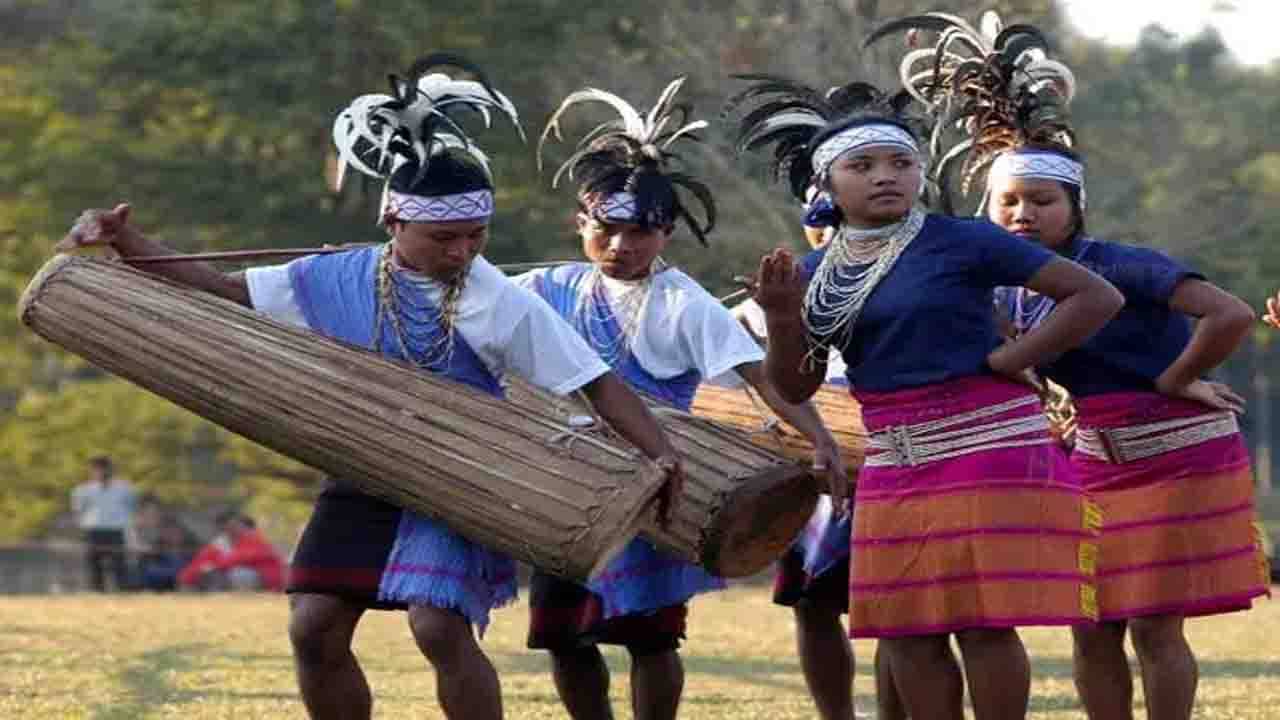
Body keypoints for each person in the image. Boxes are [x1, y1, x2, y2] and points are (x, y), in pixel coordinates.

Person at [56, 55, 684, 720]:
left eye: (476, 236)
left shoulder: (499, 300)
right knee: (313, 625)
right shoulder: (335, 278)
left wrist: (659, 454)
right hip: (363, 472)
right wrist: (129, 242)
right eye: (444, 237)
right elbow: (225, 292)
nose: (462, 252)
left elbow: (597, 384)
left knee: (438, 626)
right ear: (395, 220)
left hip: (463, 476)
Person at [728, 69, 1123, 720]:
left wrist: (1009, 359)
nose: (886, 175)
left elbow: (1094, 295)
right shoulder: (813, 274)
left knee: (981, 622)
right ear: (826, 184)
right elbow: (795, 384)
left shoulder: (961, 239)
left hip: (986, 446)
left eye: (900, 162)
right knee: (905, 628)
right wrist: (781, 318)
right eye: (863, 165)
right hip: (892, 458)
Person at [914, 16, 1271, 718]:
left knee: (1153, 623)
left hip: (1172, 454)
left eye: (1041, 201)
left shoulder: (1123, 265)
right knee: (1088, 619)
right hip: (1086, 458)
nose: (1023, 213)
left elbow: (1228, 313)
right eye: (1007, 202)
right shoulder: (998, 285)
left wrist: (1174, 377)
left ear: (1075, 206)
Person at [515, 77, 847, 720]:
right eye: (606, 228)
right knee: (563, 636)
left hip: (658, 480)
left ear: (666, 233)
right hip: (570, 487)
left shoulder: (681, 302)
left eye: (641, 231)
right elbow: (469, 312)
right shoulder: (543, 287)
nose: (621, 245)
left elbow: (764, 378)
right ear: (580, 222)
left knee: (650, 638)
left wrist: (822, 437)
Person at [731, 186, 904, 720]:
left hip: (898, 461)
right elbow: (751, 379)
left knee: (899, 609)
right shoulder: (774, 300)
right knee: (812, 603)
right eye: (822, 219)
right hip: (817, 476)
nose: (832, 231)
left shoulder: (912, 287)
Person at [70, 455, 136, 592]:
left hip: (115, 530)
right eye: (96, 469)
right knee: (94, 564)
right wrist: (79, 530)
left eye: (104, 469)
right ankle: (97, 592)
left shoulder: (124, 488)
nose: (101, 473)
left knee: (119, 564)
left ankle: (123, 591)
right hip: (93, 531)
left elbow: (131, 507)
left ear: (111, 470)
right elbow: (78, 511)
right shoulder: (83, 490)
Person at [178, 512, 286, 591]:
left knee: (237, 573)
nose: (231, 529)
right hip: (227, 578)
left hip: (267, 581)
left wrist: (214, 566)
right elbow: (198, 563)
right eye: (226, 526)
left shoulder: (255, 540)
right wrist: (187, 577)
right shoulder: (219, 544)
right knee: (208, 573)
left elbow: (241, 557)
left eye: (235, 525)